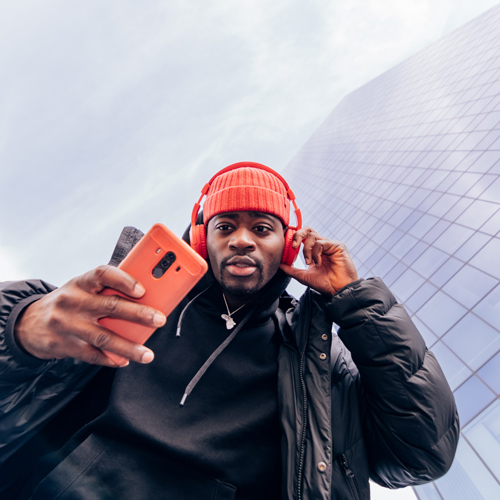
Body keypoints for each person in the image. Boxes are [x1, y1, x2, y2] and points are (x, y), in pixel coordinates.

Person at [0, 162, 459, 500]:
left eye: (262, 227)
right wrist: (21, 327)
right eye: (226, 226)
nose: (242, 239)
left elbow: (419, 455)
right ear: (203, 238)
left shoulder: (315, 361)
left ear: (288, 246)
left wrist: (356, 301)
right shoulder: (123, 298)